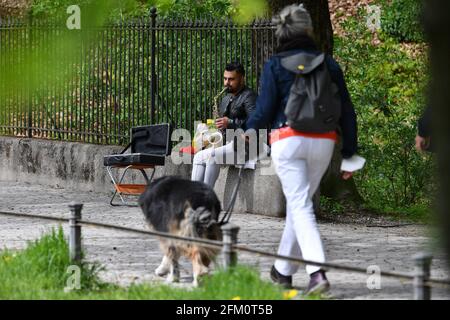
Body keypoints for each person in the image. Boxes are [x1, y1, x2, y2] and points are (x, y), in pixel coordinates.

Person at [244, 4, 358, 294]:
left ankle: (317, 272)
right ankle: (282, 270)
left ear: (280, 31)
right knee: (300, 205)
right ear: (307, 28)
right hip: (324, 141)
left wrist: (247, 132)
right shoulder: (328, 64)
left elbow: (264, 111)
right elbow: (346, 110)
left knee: (300, 205)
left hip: (288, 140)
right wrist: (350, 153)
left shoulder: (274, 64)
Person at [191, 62, 257, 187]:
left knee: (210, 157)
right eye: (225, 78)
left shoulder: (250, 96)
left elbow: (255, 123)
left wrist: (231, 123)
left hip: (247, 146)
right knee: (200, 156)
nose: (227, 82)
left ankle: (204, 198)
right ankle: (197, 198)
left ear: (242, 78)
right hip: (228, 143)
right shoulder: (226, 98)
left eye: (231, 79)